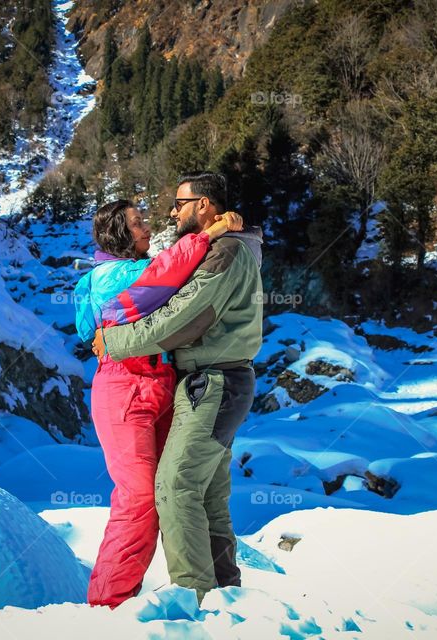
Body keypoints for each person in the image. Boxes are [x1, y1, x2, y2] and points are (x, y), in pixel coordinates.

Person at [92, 172, 263, 603]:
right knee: (206, 495)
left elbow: (183, 318)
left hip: (215, 381)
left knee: (174, 486)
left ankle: (195, 600)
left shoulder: (225, 251)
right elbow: (164, 276)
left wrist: (114, 341)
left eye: (178, 202)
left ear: (203, 205)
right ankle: (224, 596)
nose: (171, 212)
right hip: (208, 381)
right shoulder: (218, 247)